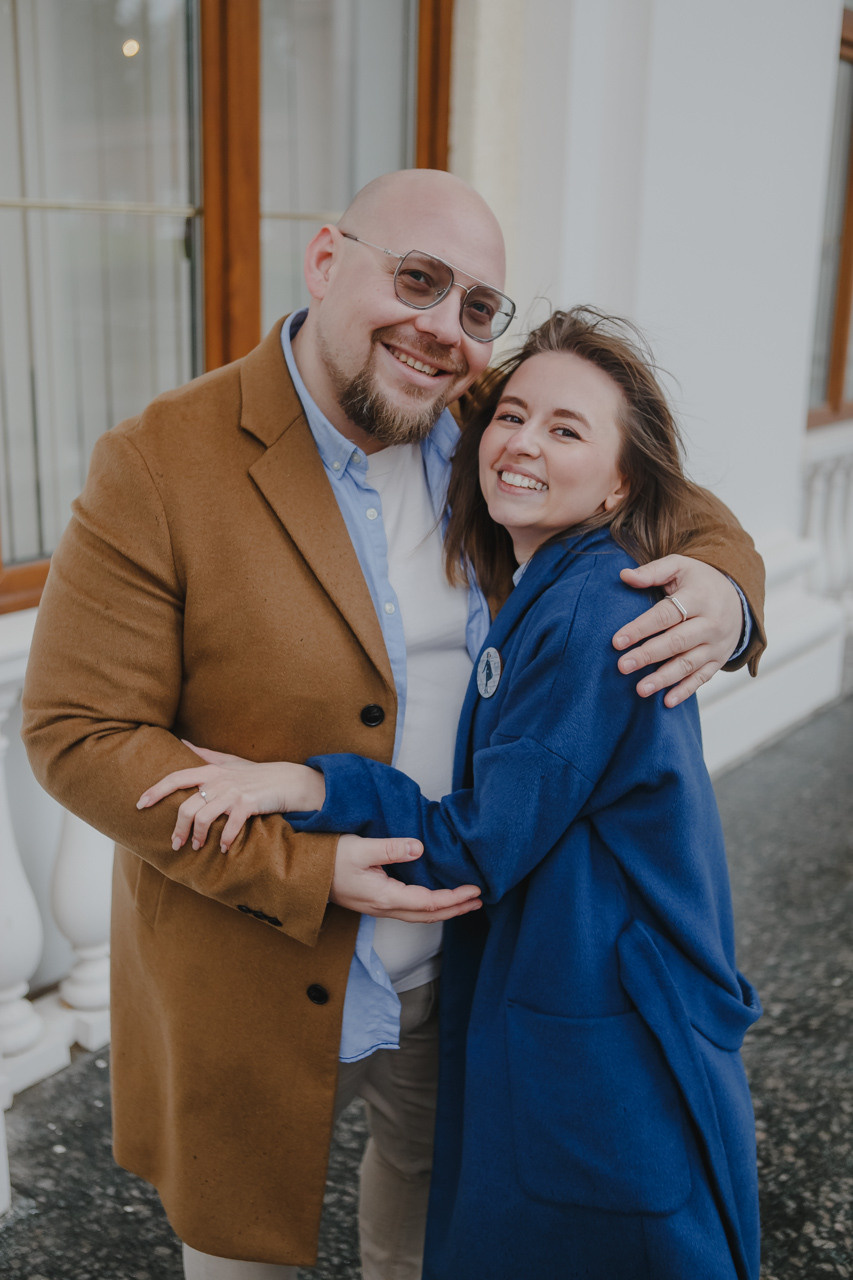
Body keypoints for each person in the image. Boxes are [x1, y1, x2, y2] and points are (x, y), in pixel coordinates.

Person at [22, 170, 765, 1278]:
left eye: (476, 308)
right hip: (253, 970)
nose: (441, 330)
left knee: (424, 1239)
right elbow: (77, 729)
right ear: (326, 259)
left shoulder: (485, 425)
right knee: (243, 1259)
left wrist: (726, 592)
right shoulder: (157, 462)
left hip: (462, 962)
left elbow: (666, 490)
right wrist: (304, 864)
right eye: (415, 280)